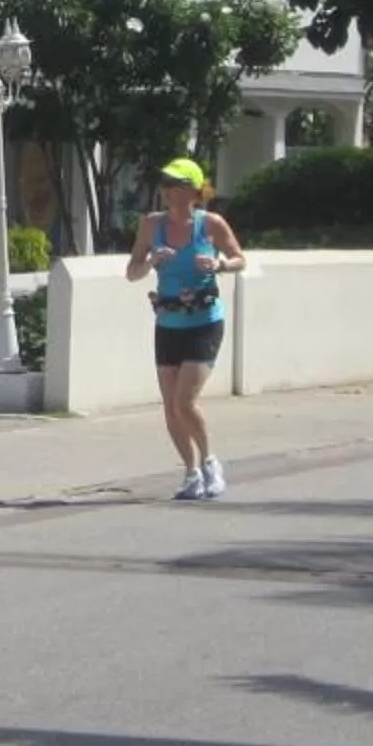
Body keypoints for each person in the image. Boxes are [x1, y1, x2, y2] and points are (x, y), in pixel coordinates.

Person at [124, 157, 244, 500]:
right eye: (165, 185)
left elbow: (240, 258)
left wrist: (219, 264)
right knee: (170, 405)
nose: (168, 192)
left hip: (204, 322)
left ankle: (209, 463)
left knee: (184, 401)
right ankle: (190, 473)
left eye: (176, 185)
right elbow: (132, 271)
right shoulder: (151, 225)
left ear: (193, 190)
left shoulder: (210, 224)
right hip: (168, 323)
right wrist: (151, 262)